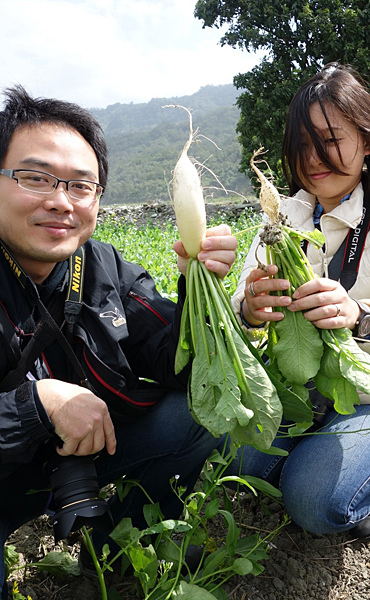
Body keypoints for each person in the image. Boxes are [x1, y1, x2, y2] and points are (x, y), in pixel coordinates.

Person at [0, 85, 237, 598]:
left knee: (198, 411)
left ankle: (117, 542)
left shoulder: (103, 268)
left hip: (87, 455)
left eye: (82, 186)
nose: (61, 201)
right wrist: (37, 405)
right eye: (35, 178)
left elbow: (180, 360)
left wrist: (204, 291)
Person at [231, 63, 370, 542]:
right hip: (307, 387)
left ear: (367, 141)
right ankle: (323, 447)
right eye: (302, 145)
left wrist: (361, 316)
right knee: (241, 460)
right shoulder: (283, 214)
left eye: (330, 139)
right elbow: (243, 302)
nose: (314, 157)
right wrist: (250, 309)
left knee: (313, 500)